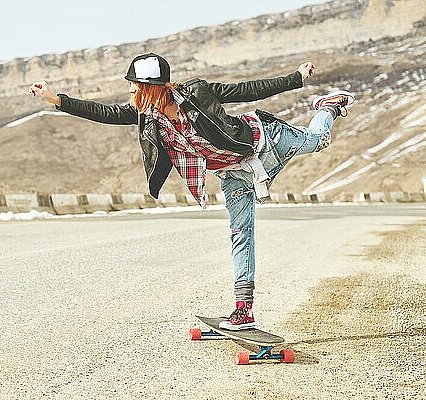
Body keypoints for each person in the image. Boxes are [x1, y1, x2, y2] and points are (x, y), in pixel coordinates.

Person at [29, 52, 354, 330]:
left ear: (148, 88)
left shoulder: (197, 93)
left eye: (133, 85)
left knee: (316, 142)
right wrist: (58, 100)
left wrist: (296, 78)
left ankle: (327, 108)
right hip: (234, 173)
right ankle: (243, 310)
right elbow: (105, 113)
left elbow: (246, 90)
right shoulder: (147, 116)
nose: (129, 91)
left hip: (264, 140)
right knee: (240, 232)